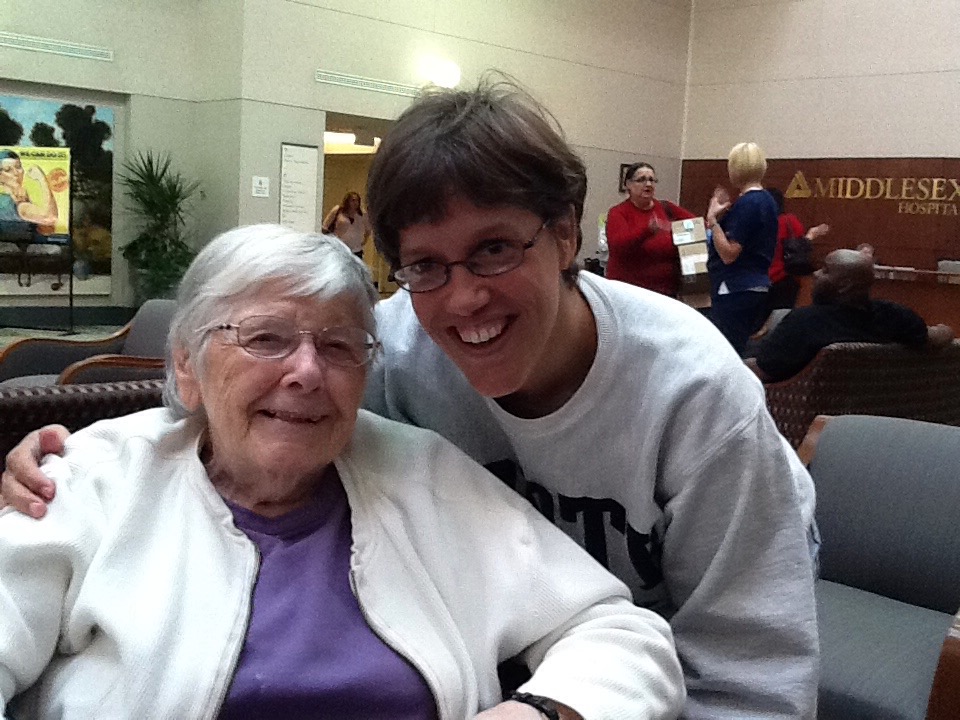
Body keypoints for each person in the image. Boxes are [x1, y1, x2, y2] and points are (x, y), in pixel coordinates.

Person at [3, 77, 818, 719]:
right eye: (426, 265)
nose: (463, 301)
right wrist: (81, 460)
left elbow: (751, 677)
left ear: (568, 234)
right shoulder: (388, 353)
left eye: (495, 249)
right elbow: (250, 408)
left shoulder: (696, 397)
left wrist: (545, 708)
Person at [0, 224, 684, 719]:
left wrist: (540, 712)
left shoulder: (421, 475)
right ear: (187, 363)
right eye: (266, 338)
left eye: (338, 345)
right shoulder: (94, 478)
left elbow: (621, 633)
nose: (306, 372)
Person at [749, 247, 955, 382]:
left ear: (844, 284)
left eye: (825, 270)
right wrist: (946, 330)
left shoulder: (804, 323)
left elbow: (760, 372)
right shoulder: (894, 317)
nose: (816, 274)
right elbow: (937, 338)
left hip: (788, 408)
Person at [706, 142, 779, 356]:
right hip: (757, 284)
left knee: (727, 352)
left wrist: (713, 220)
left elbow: (729, 253)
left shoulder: (748, 203)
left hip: (735, 287)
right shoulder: (768, 200)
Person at [605, 163, 697, 297]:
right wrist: (647, 230)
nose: (648, 184)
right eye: (641, 179)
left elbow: (698, 227)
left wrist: (711, 219)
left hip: (666, 293)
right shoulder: (618, 213)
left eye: (651, 180)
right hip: (628, 293)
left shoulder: (667, 208)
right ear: (628, 185)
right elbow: (618, 247)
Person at [765, 187, 830, 314]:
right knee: (780, 318)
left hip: (759, 279)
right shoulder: (789, 221)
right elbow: (799, 246)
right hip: (785, 277)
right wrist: (811, 236)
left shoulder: (758, 223)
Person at [0, 149, 58, 231]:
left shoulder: (23, 195)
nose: (16, 173)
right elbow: (50, 217)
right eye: (7, 170)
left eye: (18, 167)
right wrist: (41, 179)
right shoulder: (7, 202)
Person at [322, 190, 370, 257]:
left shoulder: (362, 214)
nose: (355, 203)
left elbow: (368, 230)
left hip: (356, 250)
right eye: (353, 200)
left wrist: (364, 241)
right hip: (339, 248)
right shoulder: (338, 210)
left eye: (357, 200)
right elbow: (325, 227)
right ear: (347, 201)